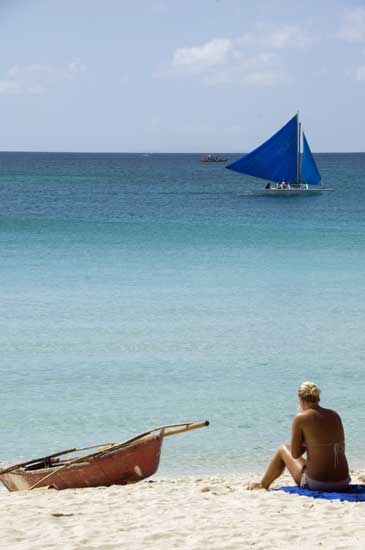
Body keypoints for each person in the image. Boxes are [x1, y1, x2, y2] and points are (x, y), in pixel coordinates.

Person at [250, 381, 350, 491]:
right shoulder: (334, 415)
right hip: (343, 482)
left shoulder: (301, 418)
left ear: (301, 400)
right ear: (318, 398)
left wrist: (305, 442)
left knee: (283, 449)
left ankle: (263, 485)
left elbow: (295, 454)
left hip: (319, 484)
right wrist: (311, 442)